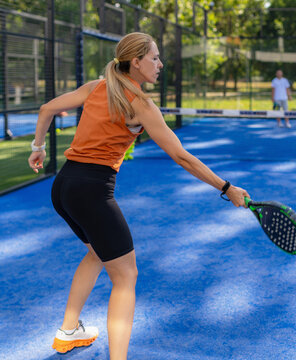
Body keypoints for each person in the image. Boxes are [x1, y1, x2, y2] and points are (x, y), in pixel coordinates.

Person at [27, 32, 250, 359]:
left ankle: (69, 331)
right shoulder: (141, 105)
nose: (160, 64)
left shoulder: (96, 87)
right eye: (155, 58)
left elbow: (47, 108)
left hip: (63, 187)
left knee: (96, 254)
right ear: (136, 61)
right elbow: (182, 156)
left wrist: (38, 148)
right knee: (126, 276)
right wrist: (227, 188)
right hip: (91, 191)